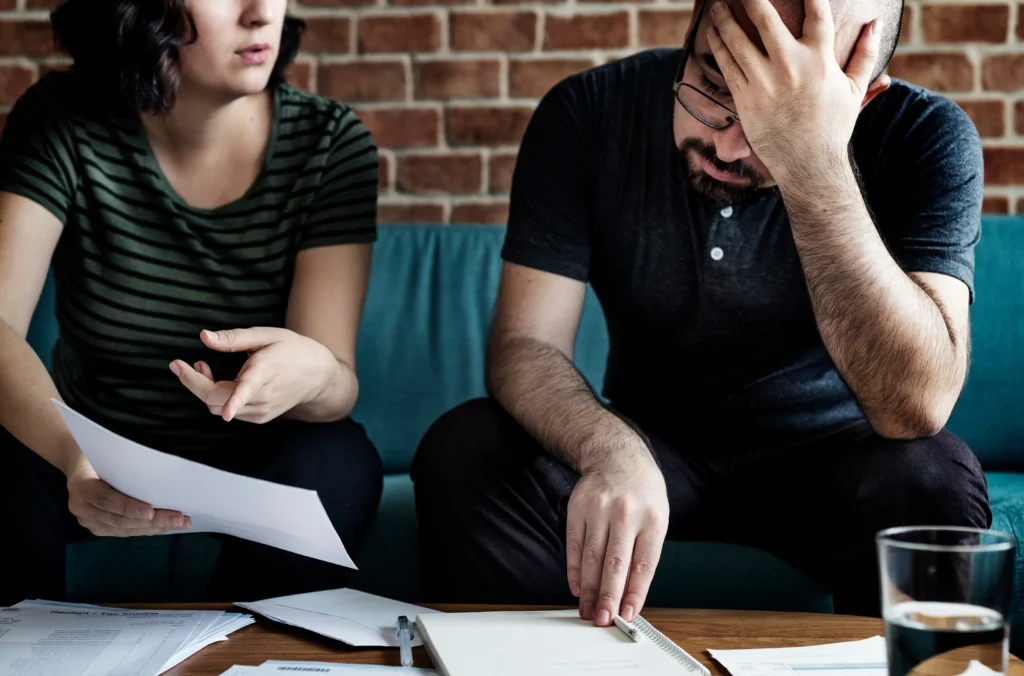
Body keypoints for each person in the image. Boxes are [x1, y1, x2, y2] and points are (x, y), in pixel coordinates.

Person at [412, 0, 992, 627]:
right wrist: (610, 450)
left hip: (832, 462)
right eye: (716, 84)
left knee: (931, 478)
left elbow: (917, 406)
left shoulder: (927, 136)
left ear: (864, 101)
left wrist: (812, 161)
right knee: (466, 449)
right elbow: (525, 343)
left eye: (779, 116)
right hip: (650, 446)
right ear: (693, 25)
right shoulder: (588, 111)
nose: (728, 142)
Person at [0, 0, 383, 605]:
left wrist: (312, 373)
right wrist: (74, 459)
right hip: (84, 447)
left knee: (338, 459)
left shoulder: (330, 141)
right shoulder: (62, 119)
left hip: (255, 461)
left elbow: (338, 384)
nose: (261, 14)